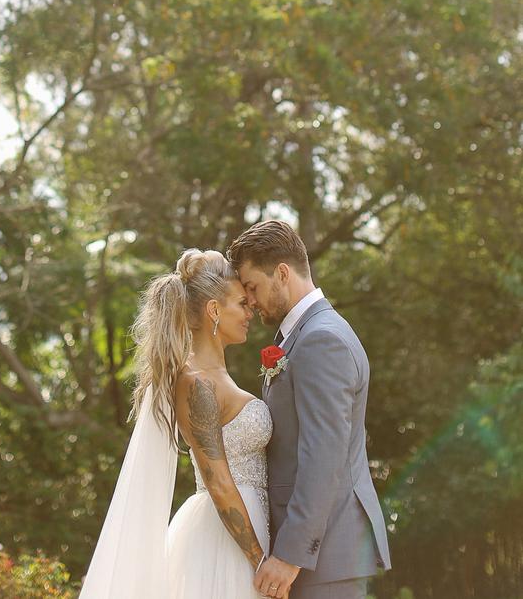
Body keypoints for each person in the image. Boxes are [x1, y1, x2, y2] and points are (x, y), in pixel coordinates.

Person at [79, 248, 280, 599]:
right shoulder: (195, 382)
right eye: (240, 303)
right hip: (227, 543)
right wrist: (260, 561)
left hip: (252, 526)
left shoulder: (216, 376)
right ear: (214, 310)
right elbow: (218, 483)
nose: (249, 310)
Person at [227, 220, 392, 599]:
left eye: (251, 287)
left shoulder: (321, 340)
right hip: (318, 555)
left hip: (325, 556)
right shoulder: (304, 336)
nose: (249, 300)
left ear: (282, 273)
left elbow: (324, 455)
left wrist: (290, 555)